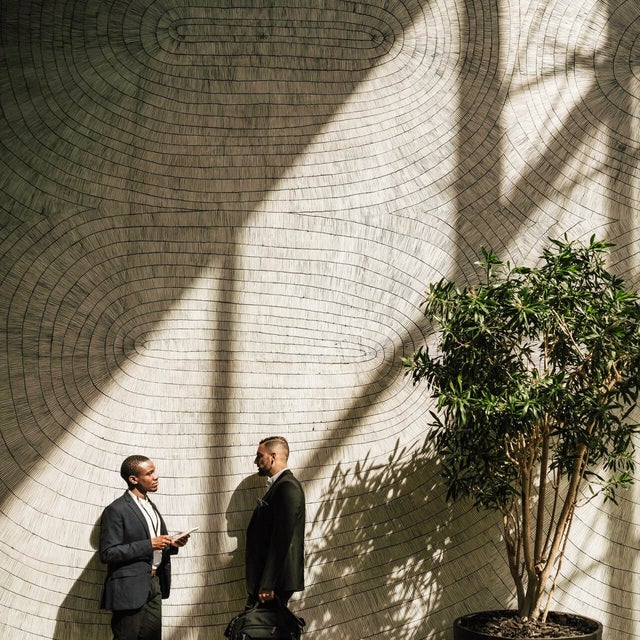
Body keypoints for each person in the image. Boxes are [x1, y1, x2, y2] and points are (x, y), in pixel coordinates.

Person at [99, 455, 190, 639]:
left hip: (154, 584)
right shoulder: (116, 510)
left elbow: (153, 544)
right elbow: (108, 553)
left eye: (154, 471)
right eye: (149, 473)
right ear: (133, 479)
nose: (156, 476)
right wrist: (149, 544)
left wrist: (171, 543)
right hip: (129, 588)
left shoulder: (151, 506)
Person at [245, 436, 305, 608]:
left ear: (273, 456)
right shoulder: (279, 485)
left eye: (259, 456)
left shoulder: (287, 487)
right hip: (268, 580)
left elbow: (282, 537)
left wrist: (269, 582)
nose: (255, 461)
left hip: (274, 583)